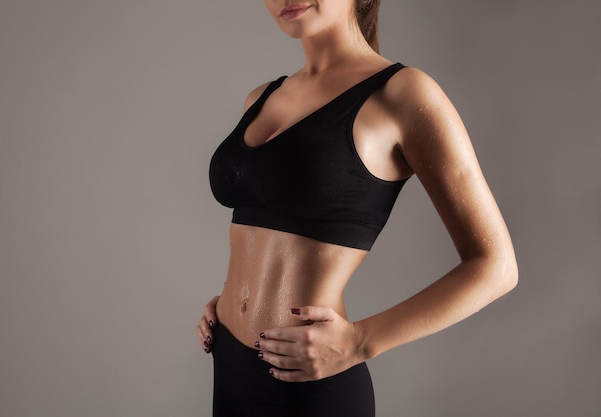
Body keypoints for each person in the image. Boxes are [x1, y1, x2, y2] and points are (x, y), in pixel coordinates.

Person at [197, 1, 518, 416]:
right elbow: (263, 230)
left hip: (309, 386)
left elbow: (496, 267)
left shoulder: (402, 94)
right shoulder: (261, 98)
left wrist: (360, 341)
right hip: (229, 369)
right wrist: (231, 299)